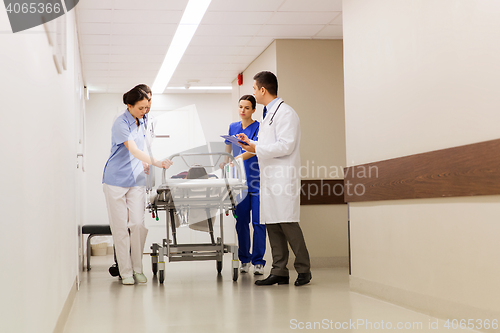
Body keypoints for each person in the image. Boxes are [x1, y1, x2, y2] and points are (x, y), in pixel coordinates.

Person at [237, 71, 312, 286]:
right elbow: (264, 145)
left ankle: (304, 270)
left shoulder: (285, 113)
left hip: (282, 177)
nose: (252, 92)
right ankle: (279, 270)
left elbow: (286, 145)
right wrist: (249, 143)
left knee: (288, 223)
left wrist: (257, 146)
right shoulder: (268, 115)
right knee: (272, 224)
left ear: (262, 90)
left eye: (253, 89)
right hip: (269, 178)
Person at [102, 86, 172, 285]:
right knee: (120, 228)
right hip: (115, 180)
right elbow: (132, 149)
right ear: (130, 106)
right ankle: (125, 272)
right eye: (141, 108)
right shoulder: (120, 123)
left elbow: (143, 144)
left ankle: (137, 268)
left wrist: (145, 163)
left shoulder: (143, 119)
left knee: (138, 225)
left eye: (147, 107)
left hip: (136, 180)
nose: (145, 111)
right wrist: (155, 161)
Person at [222, 95, 266, 275]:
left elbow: (253, 150)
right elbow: (228, 148)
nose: (243, 110)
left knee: (258, 223)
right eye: (240, 107)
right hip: (239, 183)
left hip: (257, 181)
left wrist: (236, 159)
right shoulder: (233, 127)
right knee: (241, 223)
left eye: (247, 108)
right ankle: (244, 260)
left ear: (254, 110)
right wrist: (225, 163)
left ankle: (258, 262)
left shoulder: (259, 127)